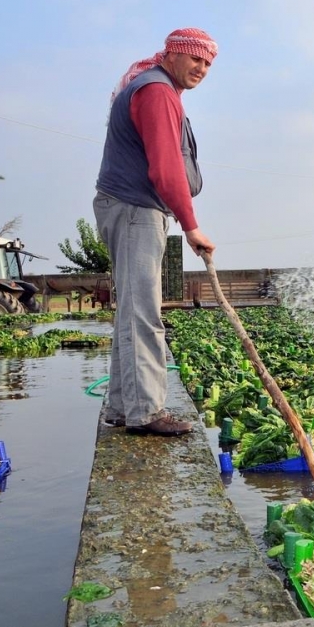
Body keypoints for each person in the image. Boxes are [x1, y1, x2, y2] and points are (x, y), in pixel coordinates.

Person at [94, 28, 218, 436]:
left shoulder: (157, 88)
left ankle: (120, 405)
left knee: (134, 306)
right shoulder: (157, 91)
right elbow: (165, 169)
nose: (201, 68)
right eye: (195, 58)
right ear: (173, 55)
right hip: (134, 209)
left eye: (208, 63)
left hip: (131, 207)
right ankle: (146, 411)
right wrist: (192, 225)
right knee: (144, 310)